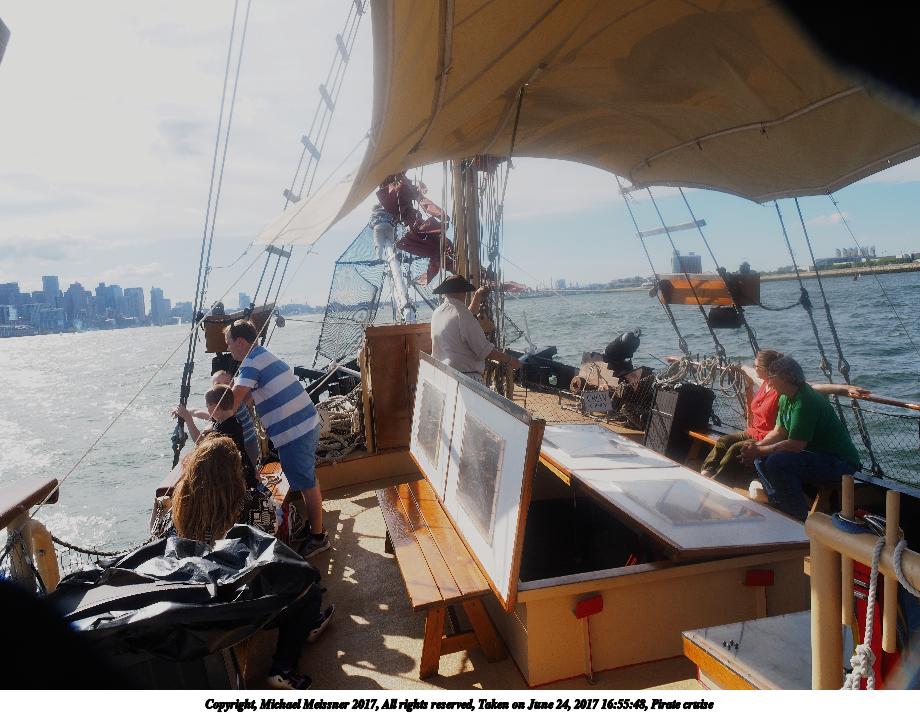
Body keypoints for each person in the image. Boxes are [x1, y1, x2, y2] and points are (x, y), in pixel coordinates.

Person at [172, 435, 334, 689]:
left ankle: (310, 623)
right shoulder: (251, 503)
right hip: (244, 604)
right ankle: (284, 668)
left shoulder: (181, 508)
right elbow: (270, 539)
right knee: (309, 586)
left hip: (206, 601)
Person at [223, 319, 329, 558]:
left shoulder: (250, 363)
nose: (228, 349)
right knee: (307, 481)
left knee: (307, 483)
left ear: (240, 342)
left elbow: (233, 402)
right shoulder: (262, 355)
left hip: (295, 432)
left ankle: (318, 537)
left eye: (228, 343)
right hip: (305, 425)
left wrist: (211, 416)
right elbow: (248, 396)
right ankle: (315, 528)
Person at [701, 350, 868, 480]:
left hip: (834, 458)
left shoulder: (800, 397)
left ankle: (720, 481)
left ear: (777, 375)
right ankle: (706, 473)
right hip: (757, 433)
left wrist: (845, 388)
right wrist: (742, 368)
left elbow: (813, 388)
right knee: (724, 441)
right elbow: (779, 431)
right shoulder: (775, 388)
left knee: (743, 451)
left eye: (757, 366)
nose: (756, 369)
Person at [740, 355, 863, 520]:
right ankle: (778, 500)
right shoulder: (785, 397)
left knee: (776, 461)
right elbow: (779, 432)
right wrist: (756, 447)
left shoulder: (805, 401)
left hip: (840, 462)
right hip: (817, 455)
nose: (769, 382)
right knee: (760, 459)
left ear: (785, 378)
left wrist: (759, 450)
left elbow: (795, 445)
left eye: (772, 377)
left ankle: (796, 516)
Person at [430, 274, 521, 382]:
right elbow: (485, 351)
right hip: (465, 379)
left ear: (445, 293)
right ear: (464, 292)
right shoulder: (463, 315)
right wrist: (511, 360)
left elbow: (465, 316)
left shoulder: (437, 312)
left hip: (443, 375)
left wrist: (477, 295)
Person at [173, 383, 257, 489]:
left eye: (208, 406)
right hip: (243, 472)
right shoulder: (232, 420)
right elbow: (200, 413)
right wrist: (186, 411)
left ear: (216, 407)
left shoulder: (225, 430)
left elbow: (201, 443)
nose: (207, 409)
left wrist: (188, 418)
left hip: (237, 481)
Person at [200, 370, 261, 474]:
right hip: (243, 446)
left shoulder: (234, 404)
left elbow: (212, 415)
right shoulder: (230, 404)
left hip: (248, 446)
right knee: (250, 471)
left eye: (227, 383)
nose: (223, 386)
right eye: (218, 384)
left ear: (233, 385)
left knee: (247, 472)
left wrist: (188, 415)